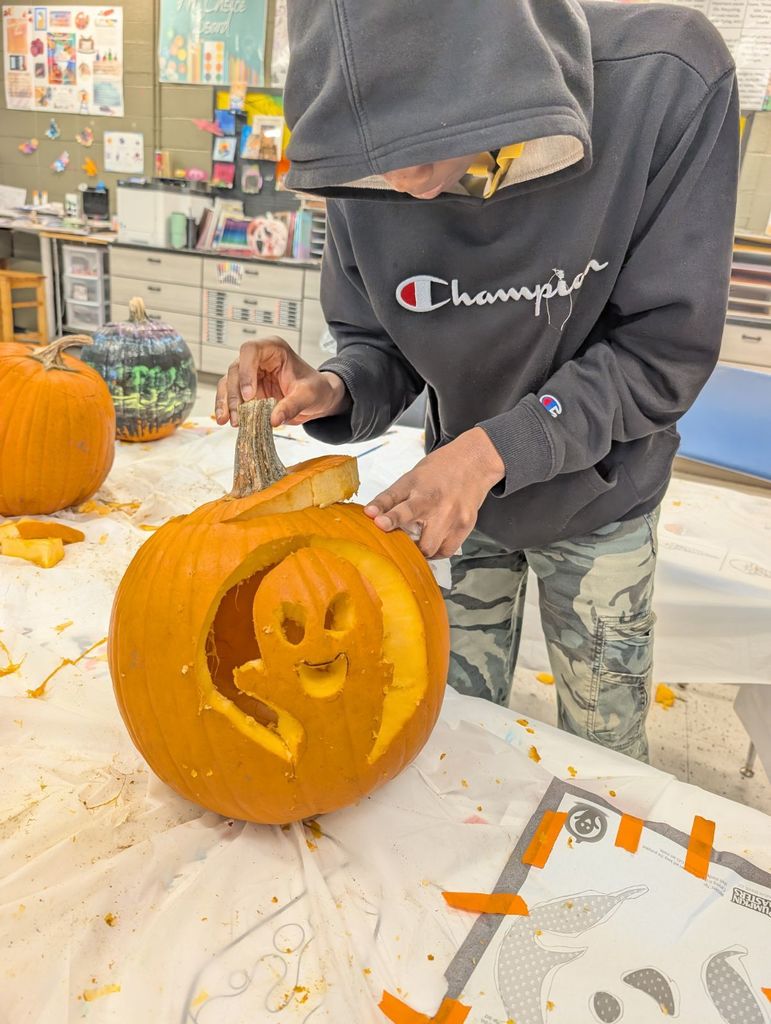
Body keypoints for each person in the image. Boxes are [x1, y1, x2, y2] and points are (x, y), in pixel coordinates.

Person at [215, 0, 739, 761]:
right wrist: (333, 384)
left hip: (601, 490)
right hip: (455, 494)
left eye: (425, 145)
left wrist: (495, 449)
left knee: (604, 744)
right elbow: (379, 339)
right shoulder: (370, 167)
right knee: (449, 723)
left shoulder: (665, 78)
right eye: (374, 155)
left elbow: (661, 355)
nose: (406, 184)